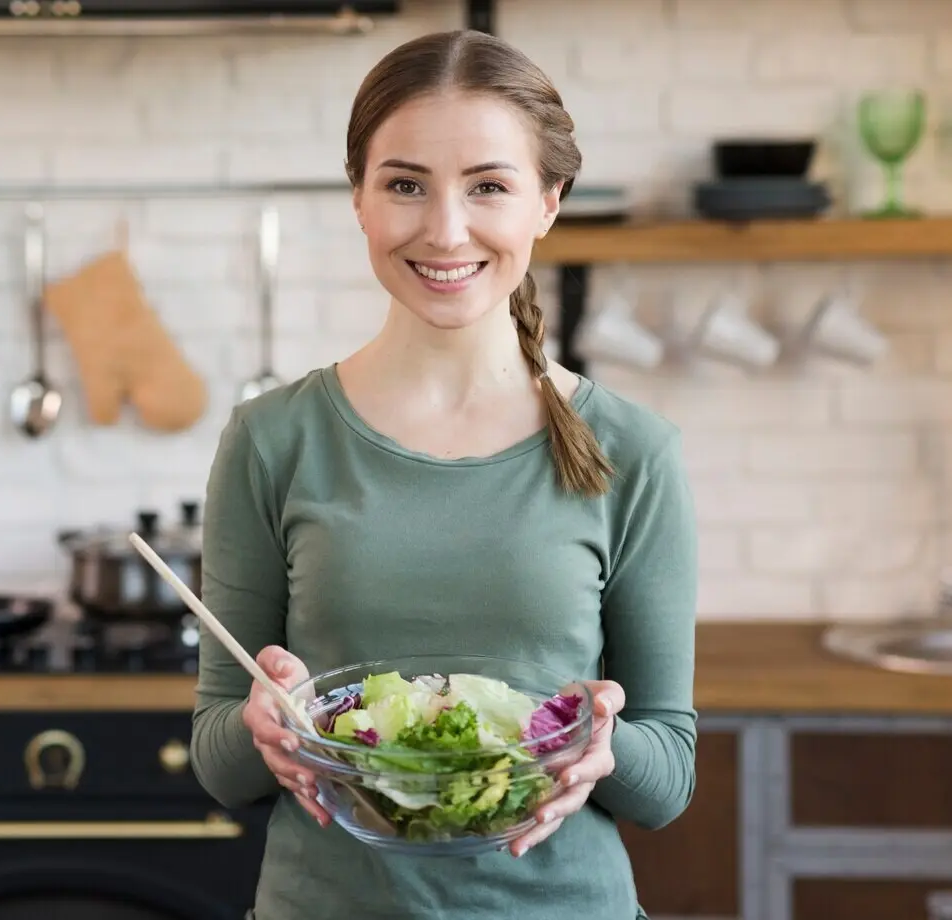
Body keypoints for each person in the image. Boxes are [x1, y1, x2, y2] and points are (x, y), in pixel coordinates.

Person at [190, 28, 698, 920]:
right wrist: (255, 726)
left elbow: (668, 782)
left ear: (548, 202)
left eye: (489, 187)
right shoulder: (272, 439)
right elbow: (216, 760)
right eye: (406, 185)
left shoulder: (633, 450)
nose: (445, 229)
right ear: (359, 198)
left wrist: (605, 746)